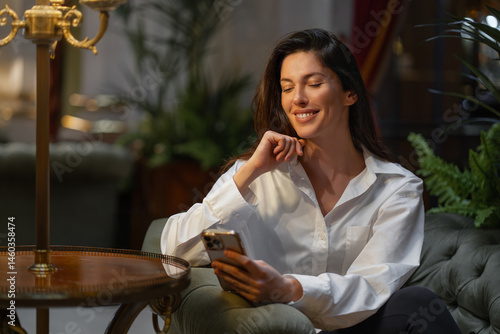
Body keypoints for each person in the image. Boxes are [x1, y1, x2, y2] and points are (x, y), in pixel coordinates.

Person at [160, 28, 461, 333]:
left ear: (350, 93)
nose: (299, 99)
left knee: (416, 303)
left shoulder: (397, 189)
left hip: (357, 326)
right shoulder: (255, 175)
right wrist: (249, 172)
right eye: (287, 88)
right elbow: (174, 251)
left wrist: (289, 287)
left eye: (314, 84)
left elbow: (372, 286)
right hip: (277, 328)